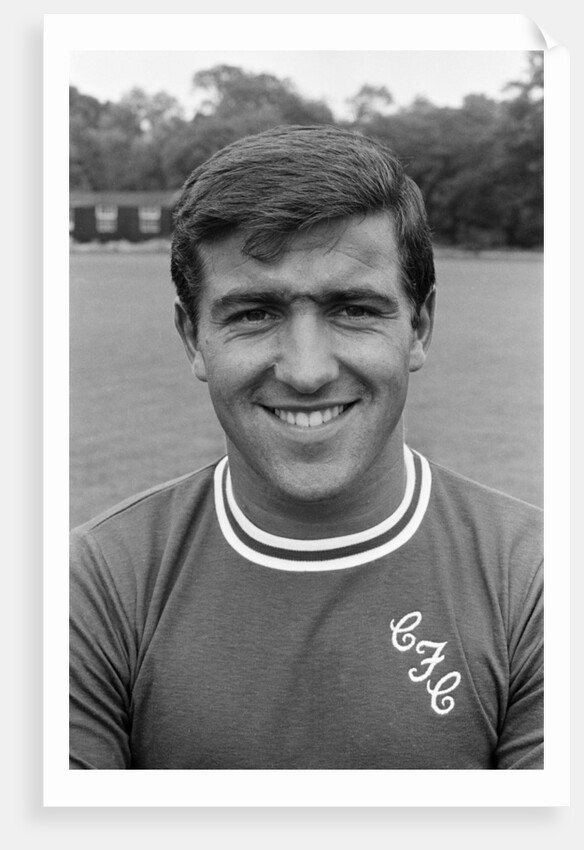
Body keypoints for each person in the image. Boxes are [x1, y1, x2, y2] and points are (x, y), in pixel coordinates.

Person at [69, 124, 543, 770]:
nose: (307, 370)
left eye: (354, 309)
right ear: (191, 337)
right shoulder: (92, 586)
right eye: (254, 313)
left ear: (419, 327)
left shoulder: (538, 582)